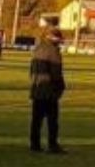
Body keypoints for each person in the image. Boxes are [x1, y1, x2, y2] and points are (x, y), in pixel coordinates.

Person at [29, 23, 66, 153]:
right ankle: (53, 145)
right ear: (54, 39)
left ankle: (34, 145)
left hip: (36, 88)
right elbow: (56, 74)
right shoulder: (54, 52)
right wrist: (61, 87)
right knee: (52, 120)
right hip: (49, 91)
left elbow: (31, 71)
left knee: (36, 120)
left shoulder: (37, 49)